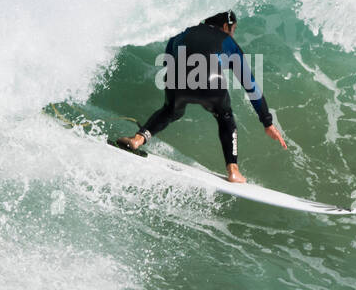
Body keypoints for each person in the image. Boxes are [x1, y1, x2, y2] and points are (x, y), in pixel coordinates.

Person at [116, 10, 287, 182]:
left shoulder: (182, 31)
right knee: (225, 116)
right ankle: (233, 171)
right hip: (212, 83)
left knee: (170, 110)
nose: (233, 32)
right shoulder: (229, 42)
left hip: (176, 79)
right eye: (233, 28)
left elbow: (168, 61)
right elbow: (250, 85)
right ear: (226, 26)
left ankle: (137, 139)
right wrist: (267, 122)